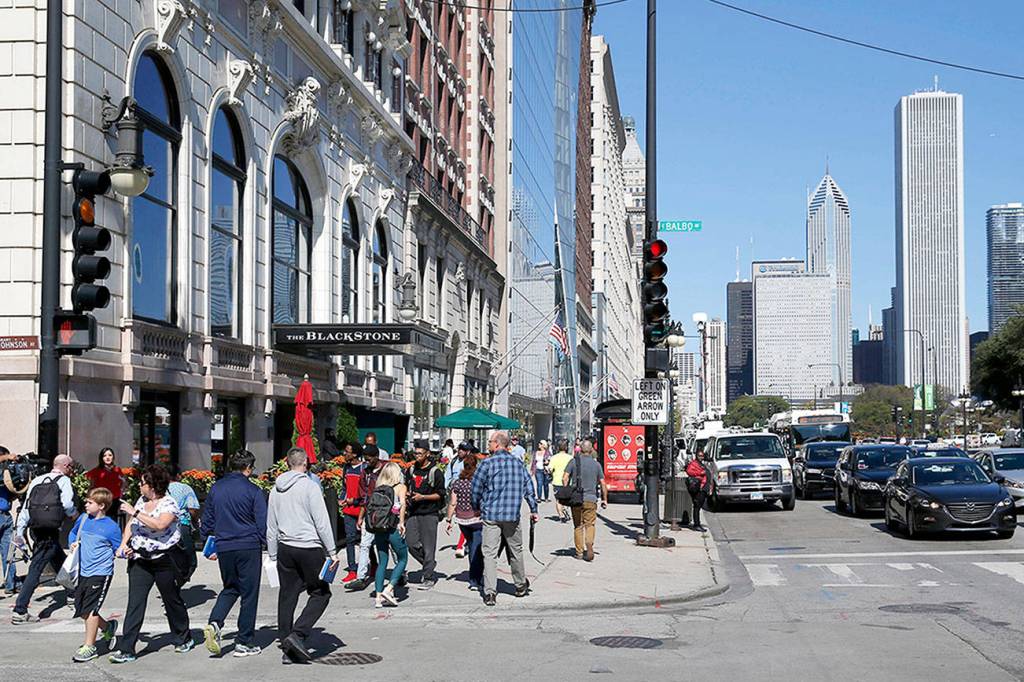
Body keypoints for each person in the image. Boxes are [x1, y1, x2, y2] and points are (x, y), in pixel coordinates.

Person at [110, 464, 193, 663]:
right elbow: (131, 524)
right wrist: (124, 544)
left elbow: (160, 524)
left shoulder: (169, 503)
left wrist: (135, 512)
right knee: (135, 603)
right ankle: (127, 648)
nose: (139, 486)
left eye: (142, 483)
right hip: (140, 559)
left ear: (153, 486)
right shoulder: (141, 501)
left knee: (171, 600)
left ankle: (183, 637)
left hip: (164, 559)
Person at [267, 447, 341, 665]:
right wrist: (332, 551)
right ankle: (298, 634)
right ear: (306, 463)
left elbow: (271, 525)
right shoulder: (310, 486)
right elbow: (322, 522)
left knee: (287, 594)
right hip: (308, 546)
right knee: (321, 593)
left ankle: (285, 640)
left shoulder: (276, 489)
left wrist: (272, 553)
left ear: (287, 463)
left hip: (285, 547)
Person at [201, 450, 267, 658]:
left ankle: (215, 622)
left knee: (230, 588)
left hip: (225, 545)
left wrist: (208, 542)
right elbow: (262, 523)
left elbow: (208, 519)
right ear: (248, 468)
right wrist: (267, 544)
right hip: (248, 545)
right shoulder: (253, 490)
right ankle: (244, 641)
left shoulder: (216, 488)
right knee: (249, 594)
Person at [471, 430, 538, 606]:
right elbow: (529, 487)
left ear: (497, 444)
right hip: (512, 516)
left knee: (490, 554)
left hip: (491, 515)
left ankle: (490, 593)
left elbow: (475, 488)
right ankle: (520, 585)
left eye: (490, 442)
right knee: (516, 551)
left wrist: (476, 507)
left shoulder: (486, 464)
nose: (488, 445)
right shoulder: (518, 464)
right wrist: (533, 509)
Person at [11, 453, 77, 624]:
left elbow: (26, 508)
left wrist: (20, 532)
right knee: (36, 569)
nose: (72, 471)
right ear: (65, 466)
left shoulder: (37, 480)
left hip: (36, 529)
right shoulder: (64, 481)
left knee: (61, 561)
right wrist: (74, 514)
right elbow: (67, 504)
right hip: (50, 530)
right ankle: (20, 610)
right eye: (71, 467)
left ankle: (72, 593)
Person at [68, 487, 121, 662]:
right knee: (82, 610)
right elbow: (73, 533)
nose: (86, 504)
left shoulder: (111, 527)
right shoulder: (83, 519)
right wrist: (72, 543)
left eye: (90, 502)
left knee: (90, 610)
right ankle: (107, 627)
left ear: (101, 506)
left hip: (101, 572)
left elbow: (118, 548)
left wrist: (124, 552)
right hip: (83, 571)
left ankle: (90, 646)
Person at [404, 440, 444, 590]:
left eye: (420, 453)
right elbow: (406, 485)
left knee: (428, 547)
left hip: (429, 513)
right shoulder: (411, 470)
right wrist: (407, 494)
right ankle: (429, 564)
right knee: (411, 543)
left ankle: (428, 577)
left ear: (427, 453)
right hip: (413, 511)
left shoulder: (435, 472)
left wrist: (423, 497)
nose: (417, 456)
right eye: (416, 453)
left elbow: (440, 494)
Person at [368, 463, 407, 608]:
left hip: (379, 529)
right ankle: (389, 589)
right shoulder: (400, 487)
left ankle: (378, 597)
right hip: (393, 528)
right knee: (402, 559)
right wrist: (401, 523)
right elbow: (402, 505)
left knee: (382, 562)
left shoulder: (378, 488)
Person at [346, 445, 384, 592]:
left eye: (369, 459)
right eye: (365, 460)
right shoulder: (365, 473)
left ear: (376, 456)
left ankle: (400, 573)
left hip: (384, 514)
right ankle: (361, 578)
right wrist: (361, 517)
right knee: (364, 545)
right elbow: (364, 498)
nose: (367, 462)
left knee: (389, 545)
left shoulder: (385, 471)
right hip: (369, 514)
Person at [562, 438, 608, 562]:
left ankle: (579, 552)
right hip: (591, 499)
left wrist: (566, 491)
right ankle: (589, 544)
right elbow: (603, 483)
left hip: (576, 498)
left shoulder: (573, 461)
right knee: (590, 524)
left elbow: (565, 478)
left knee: (578, 526)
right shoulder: (596, 465)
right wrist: (604, 499)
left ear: (580, 449)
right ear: (591, 449)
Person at [445, 454, 483, 591]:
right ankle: (475, 580)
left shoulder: (457, 483)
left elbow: (453, 502)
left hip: (462, 519)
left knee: (472, 545)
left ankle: (475, 577)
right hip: (476, 519)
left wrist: (449, 519)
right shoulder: (478, 482)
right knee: (476, 549)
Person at [167, 470, 201, 581]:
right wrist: (195, 520)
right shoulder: (185, 488)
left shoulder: (161, 489)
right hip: (182, 524)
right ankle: (182, 578)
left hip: (165, 525)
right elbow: (192, 508)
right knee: (189, 558)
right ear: (178, 476)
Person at [339, 443, 364, 583]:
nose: (344, 453)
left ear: (354, 454)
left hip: (362, 509)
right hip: (348, 510)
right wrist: (342, 498)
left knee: (366, 542)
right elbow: (344, 487)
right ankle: (352, 569)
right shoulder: (346, 468)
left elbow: (366, 491)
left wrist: (354, 501)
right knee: (350, 539)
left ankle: (373, 565)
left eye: (347, 451)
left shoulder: (363, 468)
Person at [0, 446, 19, 597]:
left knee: (8, 552)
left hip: (5, 515)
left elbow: (12, 493)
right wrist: (7, 457)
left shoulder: (5, 475)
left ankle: (11, 584)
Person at [84, 448, 124, 518]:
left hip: (114, 500)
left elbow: (122, 483)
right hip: (100, 500)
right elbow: (91, 485)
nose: (107, 457)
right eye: (105, 456)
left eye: (110, 455)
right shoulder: (96, 471)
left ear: (113, 457)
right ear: (101, 458)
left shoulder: (117, 470)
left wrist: (121, 493)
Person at [685, 448, 712, 532]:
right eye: (699, 455)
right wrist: (700, 473)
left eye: (702, 456)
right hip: (698, 488)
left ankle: (697, 524)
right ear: (696, 456)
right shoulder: (694, 464)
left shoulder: (702, 464)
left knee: (699, 505)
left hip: (704, 487)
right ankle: (697, 524)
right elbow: (689, 471)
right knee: (697, 506)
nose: (701, 457)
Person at [547, 441, 573, 523]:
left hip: (557, 481)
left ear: (558, 448)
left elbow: (550, 469)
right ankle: (565, 509)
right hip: (568, 481)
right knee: (567, 498)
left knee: (558, 500)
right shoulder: (570, 458)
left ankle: (561, 516)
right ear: (566, 448)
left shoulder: (554, 458)